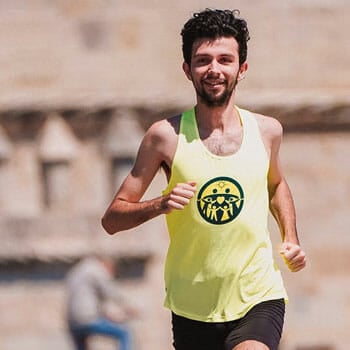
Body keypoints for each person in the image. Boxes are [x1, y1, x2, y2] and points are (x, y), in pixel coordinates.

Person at [101, 8, 306, 350]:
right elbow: (112, 219)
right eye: (203, 60)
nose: (214, 69)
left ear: (241, 69)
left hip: (257, 294)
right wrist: (160, 203)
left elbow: (276, 185)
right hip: (192, 306)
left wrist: (291, 237)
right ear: (187, 70)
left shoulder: (268, 131)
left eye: (225, 59)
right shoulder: (164, 137)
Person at [65, 254, 134, 350]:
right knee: (124, 333)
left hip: (72, 322)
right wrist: (129, 308)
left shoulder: (78, 270)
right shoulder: (95, 270)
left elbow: (88, 299)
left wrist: (108, 316)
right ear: (108, 265)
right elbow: (110, 292)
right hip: (87, 319)